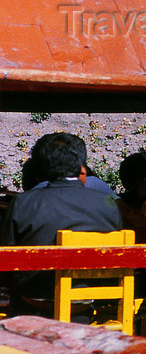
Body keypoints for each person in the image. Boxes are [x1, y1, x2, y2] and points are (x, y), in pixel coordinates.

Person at [0, 132, 121, 316]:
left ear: (42, 166)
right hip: (85, 303)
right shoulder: (108, 204)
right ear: (81, 165)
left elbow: (6, 258)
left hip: (33, 306)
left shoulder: (23, 203)